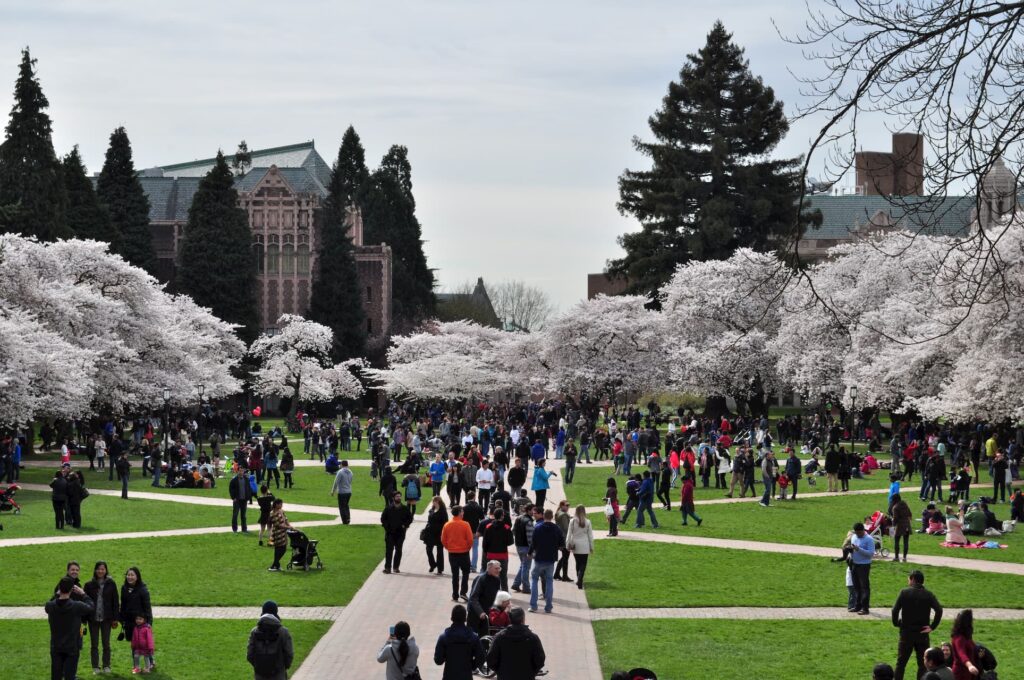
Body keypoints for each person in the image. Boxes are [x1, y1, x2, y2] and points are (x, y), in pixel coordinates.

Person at [891, 570, 943, 680]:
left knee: (901, 663)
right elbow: (939, 610)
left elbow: (895, 610)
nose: (908, 581)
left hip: (906, 633)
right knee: (923, 664)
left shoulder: (904, 592)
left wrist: (897, 623)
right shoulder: (928, 595)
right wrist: (932, 626)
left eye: (909, 579)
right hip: (922, 634)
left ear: (913, 579)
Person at [47, 577, 95, 680]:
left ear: (59, 588)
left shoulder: (50, 606)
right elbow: (91, 606)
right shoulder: (77, 606)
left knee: (56, 676)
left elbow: (49, 603)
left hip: (56, 646)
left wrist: (56, 594)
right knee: (70, 676)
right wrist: (83, 594)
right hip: (72, 647)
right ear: (71, 590)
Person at [485, 607, 546, 680]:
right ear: (523, 619)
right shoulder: (533, 638)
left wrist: (500, 671)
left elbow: (491, 659)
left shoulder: (499, 637)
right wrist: (532, 672)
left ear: (509, 619)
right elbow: (540, 660)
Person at [84, 560, 119, 675]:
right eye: (98, 569)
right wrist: (85, 618)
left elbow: (115, 602)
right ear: (95, 570)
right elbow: (85, 602)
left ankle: (106, 665)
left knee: (106, 643)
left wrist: (115, 618)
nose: (100, 571)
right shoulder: (89, 585)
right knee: (94, 644)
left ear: (106, 570)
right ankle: (95, 667)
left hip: (107, 619)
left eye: (103, 569)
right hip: (93, 619)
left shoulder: (111, 583)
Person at [433, 605, 484, 680]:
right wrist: (472, 665)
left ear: (451, 618)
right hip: (466, 676)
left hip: (449, 676)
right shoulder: (474, 637)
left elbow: (438, 660)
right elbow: (481, 658)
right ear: (465, 619)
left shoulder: (443, 637)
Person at [248, 600, 295, 680]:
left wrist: (259, 667)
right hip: (279, 675)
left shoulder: (254, 632)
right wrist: (283, 668)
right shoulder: (283, 632)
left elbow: (250, 655)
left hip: (260, 675)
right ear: (276, 612)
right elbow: (289, 654)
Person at [529, 508, 562, 614]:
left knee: (534, 580)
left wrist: (530, 553)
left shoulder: (538, 527)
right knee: (549, 581)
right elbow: (561, 543)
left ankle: (533, 606)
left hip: (539, 558)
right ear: (552, 517)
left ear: (544, 516)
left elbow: (533, 543)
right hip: (550, 558)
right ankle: (548, 606)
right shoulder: (556, 528)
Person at [119, 567, 152, 668]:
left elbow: (147, 607)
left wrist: (149, 623)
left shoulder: (143, 590)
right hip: (129, 621)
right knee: (134, 644)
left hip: (141, 621)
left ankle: (150, 663)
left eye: (132, 575)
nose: (130, 577)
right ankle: (136, 666)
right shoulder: (124, 588)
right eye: (128, 575)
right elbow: (123, 605)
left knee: (144, 644)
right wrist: (121, 618)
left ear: (137, 577)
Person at [442, 504, 474, 601]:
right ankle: (463, 592)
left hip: (452, 553)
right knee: (465, 572)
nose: (463, 513)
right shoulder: (465, 524)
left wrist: (449, 547)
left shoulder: (447, 524)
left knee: (455, 575)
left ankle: (455, 594)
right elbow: (470, 539)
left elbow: (443, 539)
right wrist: (468, 547)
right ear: (460, 513)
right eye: (462, 511)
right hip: (464, 552)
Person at [381, 490, 413, 574]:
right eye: (397, 496)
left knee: (398, 550)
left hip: (400, 533)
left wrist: (405, 525)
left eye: (399, 496)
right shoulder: (388, 508)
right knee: (389, 550)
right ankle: (387, 568)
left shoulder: (405, 508)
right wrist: (387, 527)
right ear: (393, 498)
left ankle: (396, 567)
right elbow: (383, 519)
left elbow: (410, 518)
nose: (398, 498)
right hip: (390, 533)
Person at [481, 509, 514, 591]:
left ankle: (490, 593)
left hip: (490, 555)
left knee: (491, 575)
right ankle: (504, 595)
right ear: (502, 516)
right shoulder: (506, 528)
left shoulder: (488, 527)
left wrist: (486, 552)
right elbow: (511, 542)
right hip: (502, 555)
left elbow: (484, 543)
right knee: (503, 576)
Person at [468, 560, 503, 636]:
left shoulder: (497, 580)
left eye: (499, 568)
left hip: (487, 613)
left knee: (485, 635)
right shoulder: (481, 579)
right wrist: (480, 612)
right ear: (489, 569)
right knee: (472, 636)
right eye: (496, 569)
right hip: (476, 613)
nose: (498, 571)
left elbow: (496, 596)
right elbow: (473, 598)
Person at [849, 521, 875, 615]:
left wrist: (858, 549)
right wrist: (850, 551)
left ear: (863, 530)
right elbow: (853, 549)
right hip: (854, 564)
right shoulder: (854, 537)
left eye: (859, 533)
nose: (858, 535)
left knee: (864, 587)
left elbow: (871, 554)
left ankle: (865, 608)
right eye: (856, 533)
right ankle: (857, 606)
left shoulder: (869, 539)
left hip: (864, 565)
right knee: (856, 587)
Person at [566, 504, 594, 589]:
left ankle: (579, 579)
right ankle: (580, 580)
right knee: (583, 564)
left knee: (578, 563)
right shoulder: (588, 521)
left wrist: (567, 544)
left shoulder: (572, 521)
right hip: (585, 545)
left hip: (576, 545)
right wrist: (591, 547)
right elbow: (590, 536)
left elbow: (569, 534)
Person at [511, 503, 535, 594]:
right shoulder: (529, 521)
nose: (534, 512)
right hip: (526, 547)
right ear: (529, 510)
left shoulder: (518, 518)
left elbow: (513, 531)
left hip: (518, 545)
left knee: (523, 565)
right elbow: (530, 538)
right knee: (526, 567)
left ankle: (516, 584)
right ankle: (526, 587)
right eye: (533, 510)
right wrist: (532, 550)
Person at [949, 609, 980, 680]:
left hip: (968, 673)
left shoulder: (966, 636)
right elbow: (962, 654)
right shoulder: (959, 638)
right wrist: (970, 666)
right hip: (961, 673)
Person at [425, 496, 449, 575]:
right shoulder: (432, 510)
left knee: (439, 551)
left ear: (438, 502)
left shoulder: (443, 512)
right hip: (430, 533)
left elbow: (446, 523)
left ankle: (440, 568)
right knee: (428, 550)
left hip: (439, 533)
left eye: (434, 501)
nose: (433, 503)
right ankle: (433, 564)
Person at [268, 498, 292, 572]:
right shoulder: (273, 513)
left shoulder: (281, 511)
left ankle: (276, 565)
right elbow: (278, 525)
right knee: (279, 549)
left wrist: (290, 526)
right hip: (277, 533)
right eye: (280, 504)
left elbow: (286, 519)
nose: (282, 505)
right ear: (276, 505)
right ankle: (274, 565)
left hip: (283, 533)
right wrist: (288, 527)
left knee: (283, 548)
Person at [553, 501, 571, 582]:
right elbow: (566, 528)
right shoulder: (563, 515)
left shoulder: (558, 513)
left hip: (560, 538)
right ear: (562, 506)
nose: (568, 507)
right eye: (566, 505)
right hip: (564, 538)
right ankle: (564, 576)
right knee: (566, 557)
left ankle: (557, 574)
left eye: (568, 505)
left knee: (564, 557)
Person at [891, 494, 913, 562]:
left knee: (897, 541)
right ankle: (904, 558)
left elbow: (895, 518)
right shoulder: (905, 504)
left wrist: (893, 525)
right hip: (907, 524)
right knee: (906, 542)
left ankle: (896, 557)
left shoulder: (895, 507)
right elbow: (910, 514)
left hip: (899, 526)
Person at [330, 459, 354, 525]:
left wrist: (333, 491)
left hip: (342, 492)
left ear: (342, 465)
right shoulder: (351, 472)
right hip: (349, 491)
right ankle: (348, 518)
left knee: (342, 507)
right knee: (346, 506)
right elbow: (350, 481)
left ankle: (345, 521)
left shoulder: (340, 472)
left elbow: (336, 482)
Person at [230, 468, 252, 533]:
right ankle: (234, 529)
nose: (241, 472)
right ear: (237, 471)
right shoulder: (234, 480)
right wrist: (233, 498)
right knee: (235, 515)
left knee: (243, 515)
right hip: (237, 500)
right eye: (240, 471)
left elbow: (248, 489)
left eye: (242, 471)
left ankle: (244, 529)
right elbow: (231, 490)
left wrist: (248, 497)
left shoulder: (246, 480)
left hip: (244, 500)